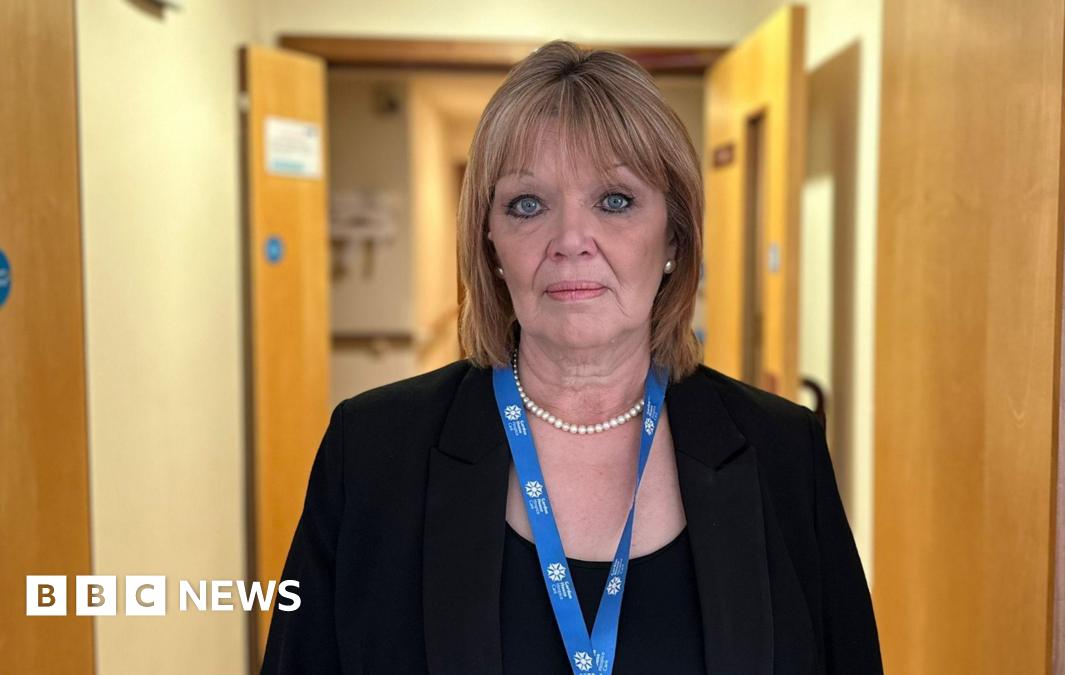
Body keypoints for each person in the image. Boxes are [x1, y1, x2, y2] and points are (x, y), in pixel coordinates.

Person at [261, 40, 881, 674]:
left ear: (674, 235)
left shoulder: (782, 451)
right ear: (491, 242)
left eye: (614, 200)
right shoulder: (371, 451)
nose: (570, 241)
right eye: (528, 205)